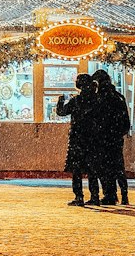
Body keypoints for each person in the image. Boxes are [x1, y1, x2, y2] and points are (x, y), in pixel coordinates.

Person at [56, 73, 100, 206]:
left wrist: (60, 101)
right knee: (92, 169)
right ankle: (95, 195)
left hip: (78, 138)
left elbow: (61, 112)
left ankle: (79, 196)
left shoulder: (76, 101)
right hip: (93, 138)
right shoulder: (97, 100)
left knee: (77, 169)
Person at [91, 69, 130, 205]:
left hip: (103, 137)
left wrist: (97, 132)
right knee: (118, 166)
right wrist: (120, 132)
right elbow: (125, 120)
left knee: (104, 168)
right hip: (115, 137)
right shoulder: (118, 97)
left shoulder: (99, 98)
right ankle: (124, 194)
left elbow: (96, 118)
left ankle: (110, 193)